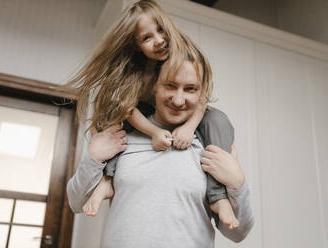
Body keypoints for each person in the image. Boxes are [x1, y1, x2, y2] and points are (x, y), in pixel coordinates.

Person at [66, 0, 238, 229]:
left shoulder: (186, 51)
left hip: (188, 116)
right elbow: (126, 108)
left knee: (217, 119)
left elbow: (203, 93)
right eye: (146, 38)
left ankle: (219, 196)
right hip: (142, 112)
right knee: (111, 118)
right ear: (136, 45)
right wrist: (155, 132)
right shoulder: (134, 70)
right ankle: (107, 179)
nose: (158, 41)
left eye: (161, 30)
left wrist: (188, 127)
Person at [67, 59, 254, 248]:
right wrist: (93, 158)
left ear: (201, 94)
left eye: (190, 89)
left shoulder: (209, 147)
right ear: (155, 84)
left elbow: (238, 233)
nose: (178, 100)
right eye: (170, 86)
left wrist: (238, 183)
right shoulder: (122, 138)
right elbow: (76, 202)